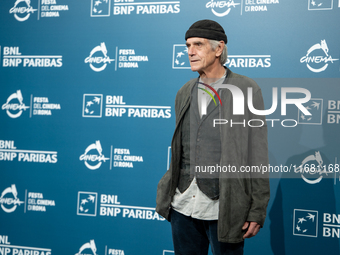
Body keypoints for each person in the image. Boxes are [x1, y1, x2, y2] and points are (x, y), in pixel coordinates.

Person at [156, 19, 270, 255]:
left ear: (218, 49)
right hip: (183, 205)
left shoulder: (246, 89)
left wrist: (257, 210)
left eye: (197, 44)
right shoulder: (184, 92)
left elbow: (257, 154)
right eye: (187, 46)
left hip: (225, 207)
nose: (190, 52)